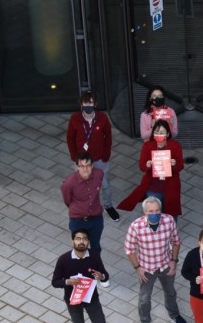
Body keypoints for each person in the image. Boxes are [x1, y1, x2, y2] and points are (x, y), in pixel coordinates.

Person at [52, 230, 121, 323]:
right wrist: (68, 282)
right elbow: (55, 282)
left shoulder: (94, 256)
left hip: (91, 299)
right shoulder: (64, 259)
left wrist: (101, 276)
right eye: (78, 239)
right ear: (73, 241)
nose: (81, 241)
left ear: (88, 242)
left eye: (84, 239)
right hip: (73, 299)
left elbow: (105, 274)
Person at [122, 196, 185, 323]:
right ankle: (145, 322)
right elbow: (129, 249)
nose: (155, 213)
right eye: (151, 211)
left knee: (171, 292)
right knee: (144, 298)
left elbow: (176, 241)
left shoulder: (168, 220)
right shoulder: (136, 226)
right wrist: (137, 268)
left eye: (157, 210)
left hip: (165, 265)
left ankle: (174, 315)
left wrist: (174, 261)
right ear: (144, 212)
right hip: (147, 269)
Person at [65, 91, 119, 221]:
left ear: (95, 104)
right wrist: (74, 157)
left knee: (105, 184)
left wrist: (106, 155)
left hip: (100, 159)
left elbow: (108, 138)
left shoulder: (102, 118)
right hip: (81, 161)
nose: (88, 105)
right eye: (85, 103)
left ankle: (108, 206)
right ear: (81, 104)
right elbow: (70, 138)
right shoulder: (75, 118)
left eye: (90, 103)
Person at [116, 119, 184, 218]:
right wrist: (147, 165)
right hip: (153, 186)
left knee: (171, 214)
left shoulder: (175, 145)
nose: (159, 135)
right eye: (156, 132)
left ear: (168, 133)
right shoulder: (148, 146)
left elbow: (180, 166)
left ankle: (170, 231)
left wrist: (174, 164)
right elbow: (142, 166)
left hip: (171, 185)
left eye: (162, 133)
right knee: (153, 213)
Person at [60, 156, 107, 260]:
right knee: (79, 248)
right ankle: (80, 269)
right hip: (78, 220)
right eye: (82, 166)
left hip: (96, 219)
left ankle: (96, 268)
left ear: (92, 165)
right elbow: (67, 200)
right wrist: (78, 208)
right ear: (77, 167)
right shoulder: (69, 183)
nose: (85, 169)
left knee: (96, 247)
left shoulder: (99, 174)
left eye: (88, 165)